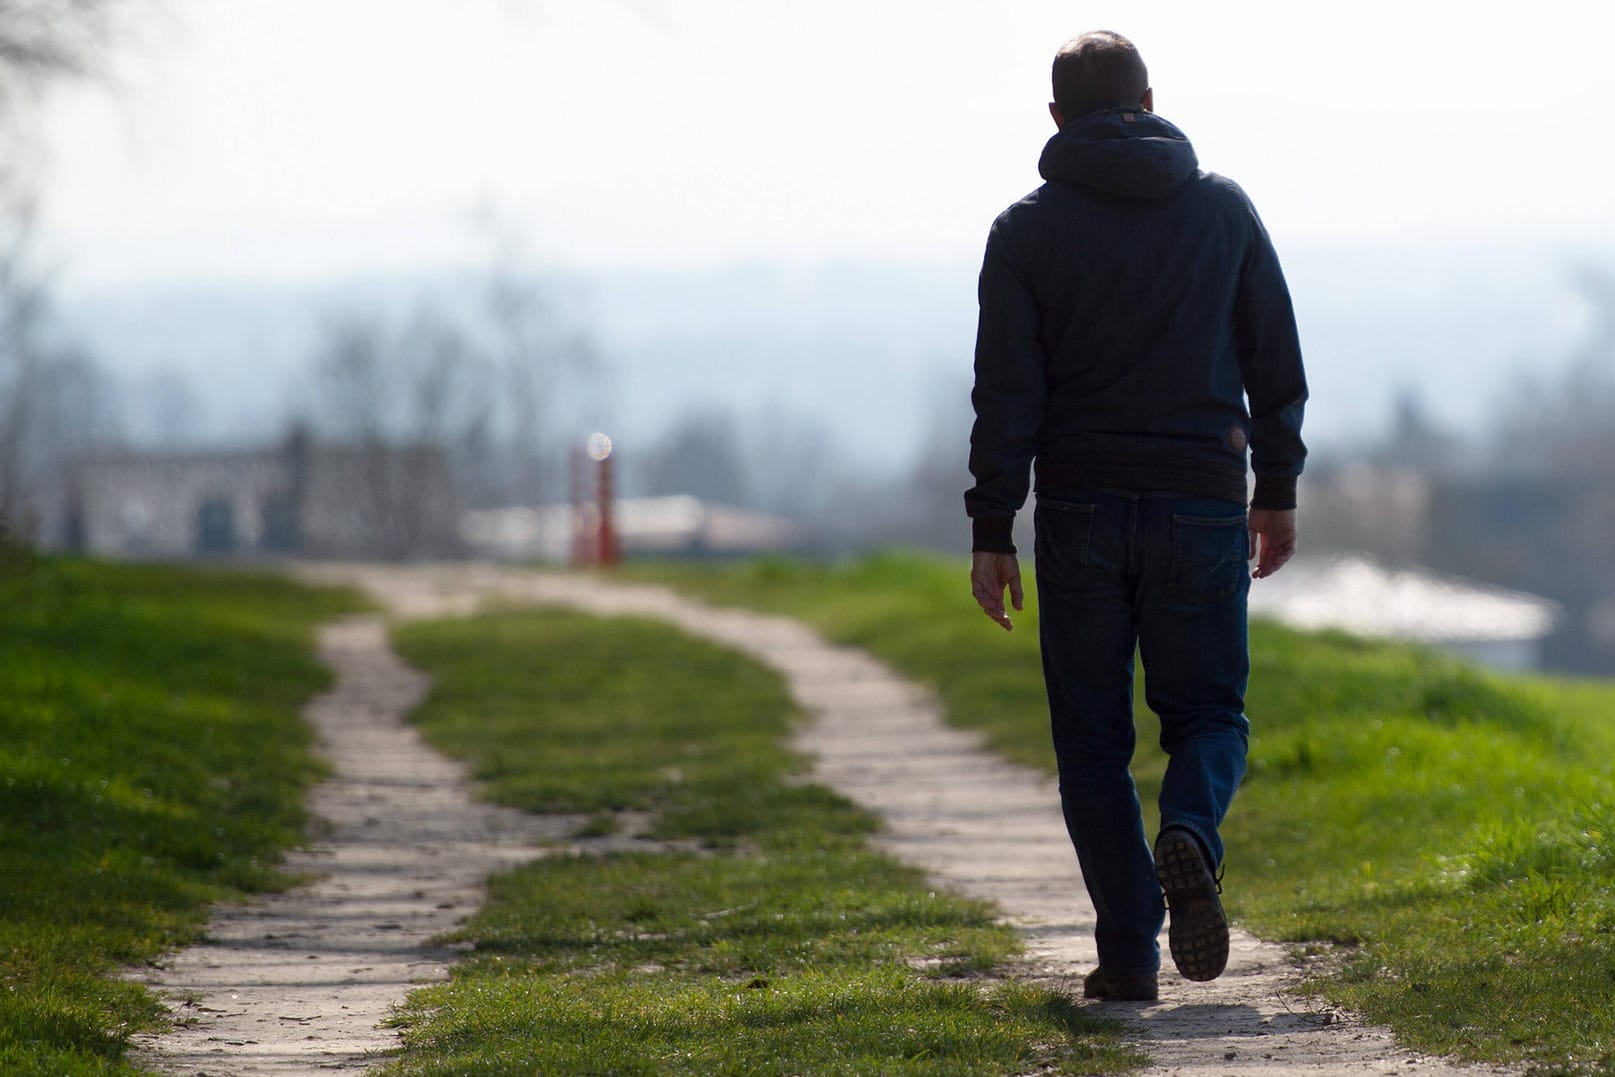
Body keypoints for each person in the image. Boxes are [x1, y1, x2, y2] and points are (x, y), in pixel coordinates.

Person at [964, 30, 1308, 1002]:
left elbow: (1005, 396)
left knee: (1089, 742)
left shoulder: (1023, 232)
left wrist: (993, 529)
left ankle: (1126, 955)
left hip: (1076, 508)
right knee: (1209, 715)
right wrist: (1274, 491)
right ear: (1149, 100)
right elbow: (1274, 362)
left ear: (1054, 118)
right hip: (1200, 504)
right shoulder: (1222, 211)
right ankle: (1189, 832)